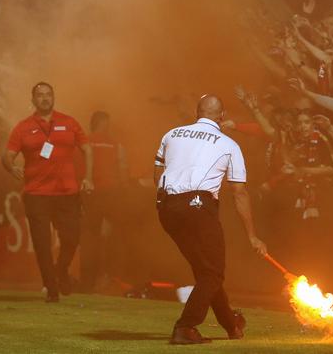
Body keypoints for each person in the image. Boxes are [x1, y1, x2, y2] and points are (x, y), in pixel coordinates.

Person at [154, 94, 267, 345]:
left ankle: (231, 325)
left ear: (197, 113)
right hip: (198, 206)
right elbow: (240, 193)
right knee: (213, 275)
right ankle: (185, 327)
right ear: (222, 116)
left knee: (206, 271)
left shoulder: (171, 134)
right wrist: (252, 235)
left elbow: (157, 170)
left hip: (167, 208)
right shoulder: (229, 145)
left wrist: (162, 201)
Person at [2, 82, 93, 303]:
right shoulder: (23, 127)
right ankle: (51, 288)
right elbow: (7, 154)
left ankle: (60, 270)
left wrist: (88, 177)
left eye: (48, 95)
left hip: (67, 193)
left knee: (72, 238)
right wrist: (10, 165)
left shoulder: (69, 122)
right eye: (40, 95)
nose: (45, 98)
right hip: (36, 194)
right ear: (33, 100)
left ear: (53, 97)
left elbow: (87, 148)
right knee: (42, 244)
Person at [79, 110, 128, 293]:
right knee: (112, 238)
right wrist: (124, 190)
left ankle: (88, 281)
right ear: (104, 123)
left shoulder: (85, 142)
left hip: (91, 195)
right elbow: (123, 168)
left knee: (90, 239)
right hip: (111, 196)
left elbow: (78, 168)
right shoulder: (115, 145)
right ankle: (110, 277)